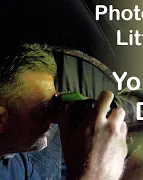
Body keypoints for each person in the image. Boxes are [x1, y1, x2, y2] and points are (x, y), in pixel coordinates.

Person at [0, 43, 128, 180]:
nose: (55, 119)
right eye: (43, 110)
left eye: (54, 102)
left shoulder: (16, 160)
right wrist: (94, 173)